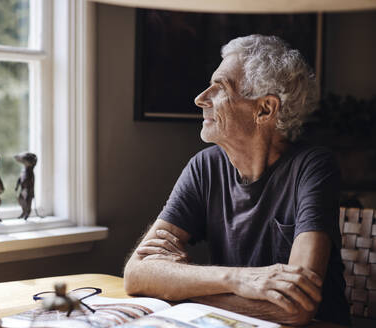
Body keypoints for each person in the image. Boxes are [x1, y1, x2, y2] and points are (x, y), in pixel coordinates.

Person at [123, 35, 350, 326]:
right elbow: (137, 274)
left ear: (265, 109)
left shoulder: (312, 168)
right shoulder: (204, 167)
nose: (200, 98)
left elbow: (295, 306)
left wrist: (180, 288)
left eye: (220, 88)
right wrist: (238, 279)